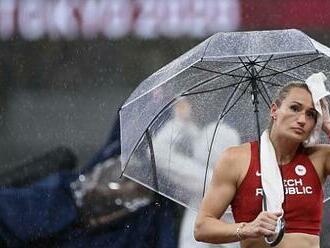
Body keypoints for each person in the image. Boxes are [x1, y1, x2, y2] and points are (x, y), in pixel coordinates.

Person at [194, 81, 330, 248]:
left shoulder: (319, 157)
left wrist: (329, 127)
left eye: (311, 114)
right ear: (274, 110)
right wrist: (247, 229)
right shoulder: (236, 159)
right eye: (295, 108)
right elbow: (202, 227)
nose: (302, 120)